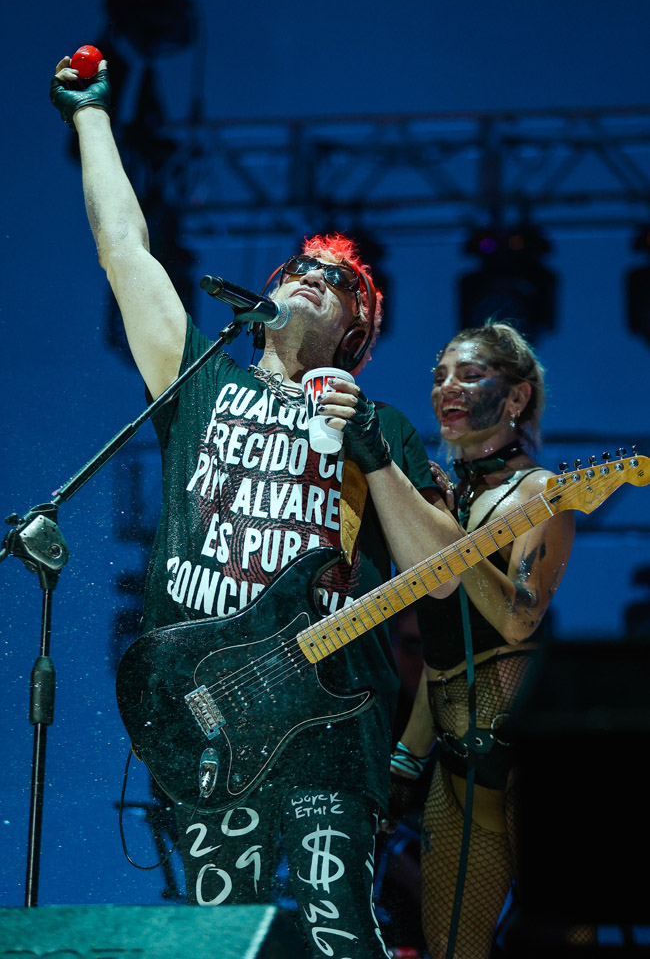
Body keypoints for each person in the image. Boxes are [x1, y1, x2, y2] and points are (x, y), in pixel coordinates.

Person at [49, 57, 462, 959]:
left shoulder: (381, 424)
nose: (314, 274)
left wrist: (369, 450)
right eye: (301, 266)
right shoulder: (200, 376)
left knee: (339, 931)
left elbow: (444, 575)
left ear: (357, 330)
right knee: (217, 940)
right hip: (207, 706)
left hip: (330, 714)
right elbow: (125, 251)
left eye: (338, 279)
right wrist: (90, 119)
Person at [386, 321, 579, 958]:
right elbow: (443, 651)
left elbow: (520, 620)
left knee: (567, 939)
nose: (448, 388)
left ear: (517, 396)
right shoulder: (445, 502)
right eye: (440, 376)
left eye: (470, 375)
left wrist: (449, 539)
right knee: (451, 949)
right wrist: (406, 759)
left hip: (528, 762)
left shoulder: (541, 493)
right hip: (454, 767)